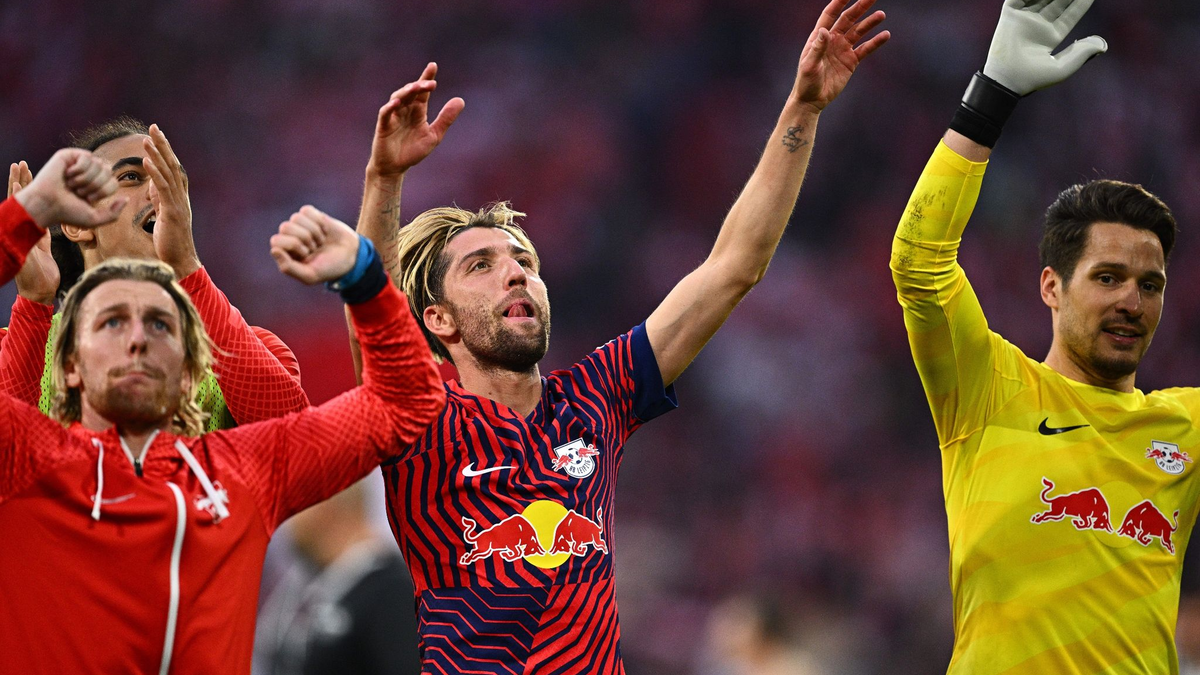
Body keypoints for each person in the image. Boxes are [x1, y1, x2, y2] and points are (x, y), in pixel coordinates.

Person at [352, 0, 889, 670]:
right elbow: (374, 325)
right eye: (481, 266)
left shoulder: (593, 398)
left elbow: (734, 266)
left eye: (523, 261)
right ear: (438, 319)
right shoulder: (423, 419)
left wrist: (802, 110)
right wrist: (385, 179)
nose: (516, 273)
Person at [0, 147, 446, 674]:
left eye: (160, 325)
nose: (138, 339)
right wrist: (25, 217)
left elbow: (406, 401)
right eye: (112, 322)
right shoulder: (25, 457)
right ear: (70, 363)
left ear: (190, 367)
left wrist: (365, 279)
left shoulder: (245, 470)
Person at [890, 0, 1195, 672]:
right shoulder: (987, 388)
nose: (1132, 302)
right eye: (1108, 278)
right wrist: (990, 98)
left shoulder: (1186, 429)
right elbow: (918, 263)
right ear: (1052, 286)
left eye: (1150, 285)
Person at [0, 117, 308, 430]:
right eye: (131, 177)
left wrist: (186, 265)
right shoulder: (10, 348)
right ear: (78, 223)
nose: (156, 191)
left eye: (169, 179)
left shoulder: (255, 348)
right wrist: (33, 303)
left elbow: (292, 444)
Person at [254, 480, 421, 675]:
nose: (284, 525)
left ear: (323, 505)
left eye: (291, 508)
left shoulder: (393, 593)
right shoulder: (309, 587)